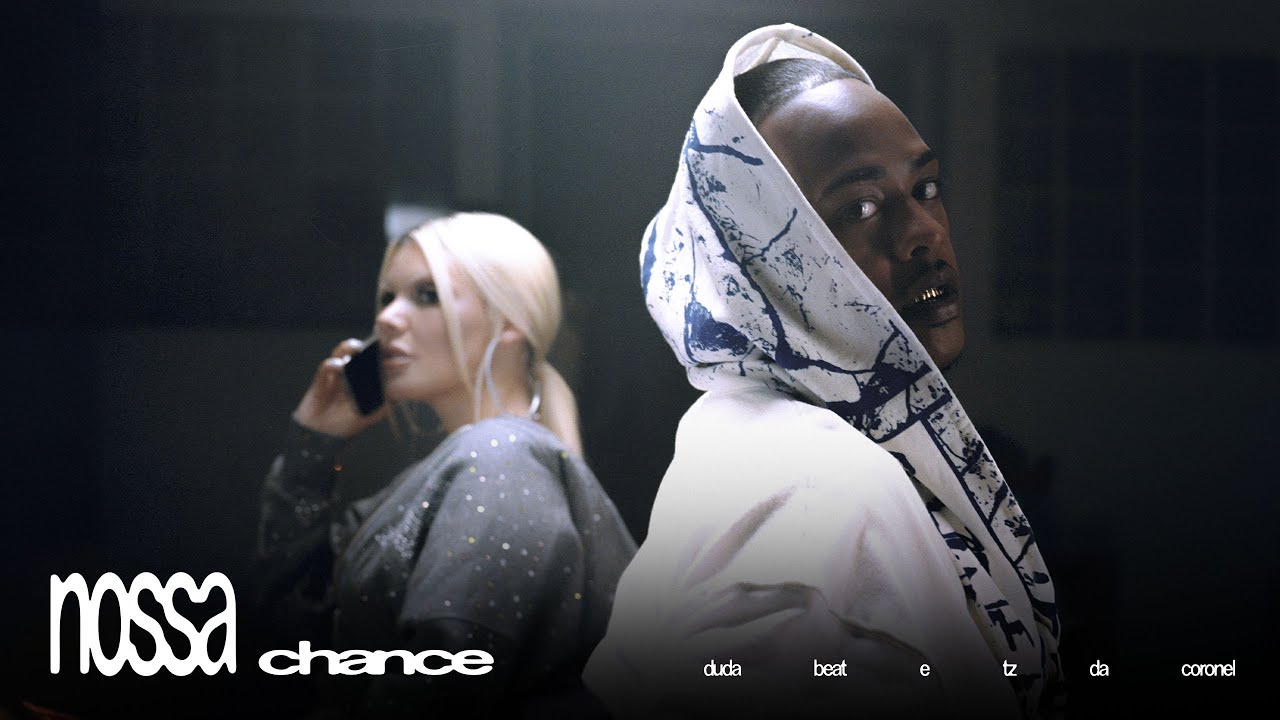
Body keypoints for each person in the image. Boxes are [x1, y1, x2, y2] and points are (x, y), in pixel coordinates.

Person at [584, 24, 1062, 719]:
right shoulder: (814, 498)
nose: (924, 232)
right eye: (858, 207)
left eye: (926, 187)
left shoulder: (763, 434)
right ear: (757, 262)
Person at [254, 212, 637, 718]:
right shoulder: (466, 464)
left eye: (427, 295)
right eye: (387, 298)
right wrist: (313, 446)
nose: (387, 319)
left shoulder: (501, 462)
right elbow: (294, 640)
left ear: (510, 323)